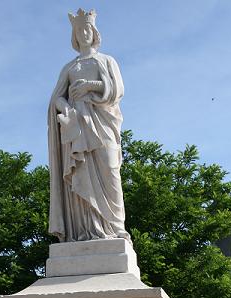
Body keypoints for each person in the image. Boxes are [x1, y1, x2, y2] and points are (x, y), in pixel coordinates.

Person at [48, 8, 130, 243]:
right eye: (79, 30)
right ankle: (86, 230)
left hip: (102, 124)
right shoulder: (69, 67)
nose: (84, 33)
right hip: (78, 128)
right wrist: (65, 108)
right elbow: (57, 97)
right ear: (74, 35)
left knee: (110, 171)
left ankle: (115, 228)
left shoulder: (106, 60)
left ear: (94, 32)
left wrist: (90, 86)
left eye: (87, 29)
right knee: (81, 174)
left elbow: (117, 89)